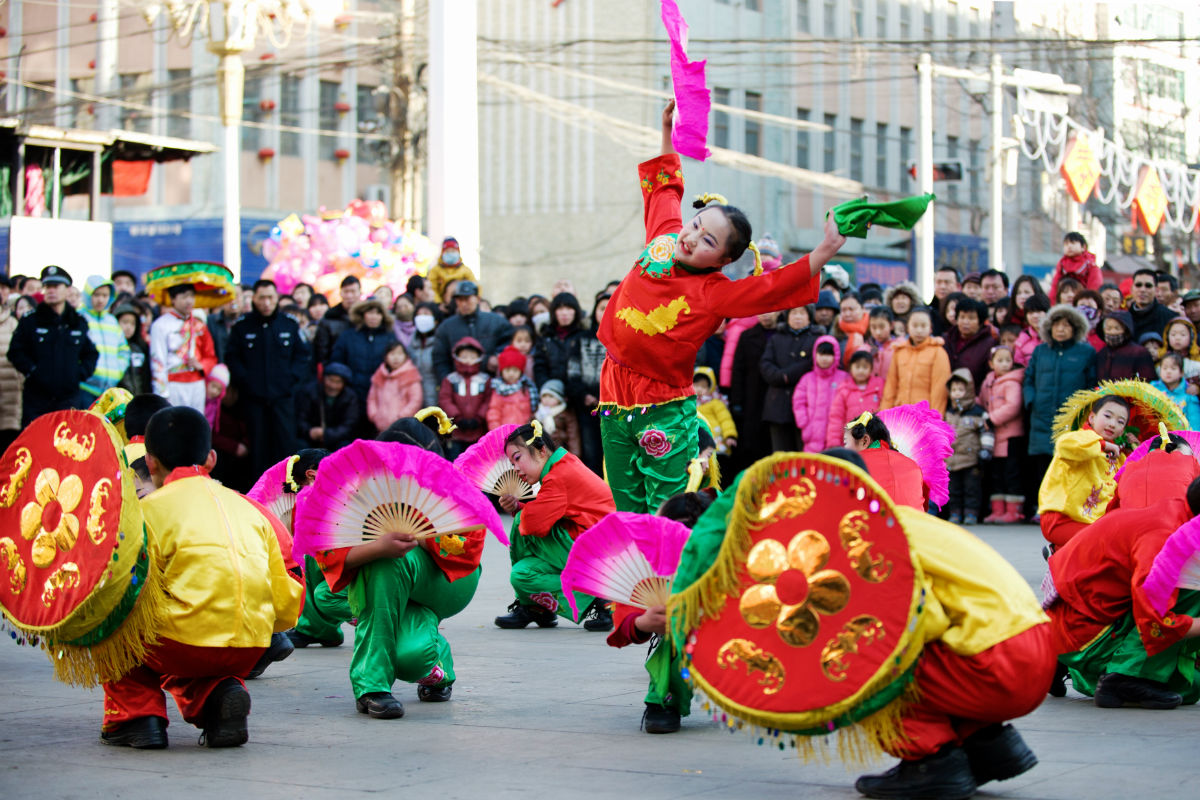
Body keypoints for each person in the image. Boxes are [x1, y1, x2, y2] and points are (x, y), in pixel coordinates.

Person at [596, 100, 845, 514]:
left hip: (662, 404)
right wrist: (666, 131)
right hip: (613, 388)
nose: (692, 238)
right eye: (696, 226)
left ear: (724, 261)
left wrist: (826, 248)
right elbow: (666, 187)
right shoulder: (664, 237)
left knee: (667, 503)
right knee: (624, 500)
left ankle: (677, 573)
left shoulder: (715, 292)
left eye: (708, 241)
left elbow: (772, 286)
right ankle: (639, 576)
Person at [100, 406, 303, 749]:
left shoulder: (145, 512)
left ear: (149, 462)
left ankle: (136, 717)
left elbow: (119, 590)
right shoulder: (250, 508)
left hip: (182, 643)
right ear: (210, 459)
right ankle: (216, 695)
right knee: (192, 635)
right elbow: (286, 605)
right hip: (250, 646)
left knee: (114, 615)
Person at [1045, 483, 1200, 708]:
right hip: (1084, 632)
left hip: (1070, 623)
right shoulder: (1165, 538)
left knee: (1192, 686)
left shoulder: (1177, 509)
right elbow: (1154, 619)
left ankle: (1067, 663)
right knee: (1193, 591)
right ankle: (1126, 676)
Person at [607, 490, 713, 734]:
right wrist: (642, 623)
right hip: (683, 638)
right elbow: (624, 621)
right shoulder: (647, 568)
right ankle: (662, 700)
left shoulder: (733, 558)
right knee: (673, 638)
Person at [494, 422, 616, 631]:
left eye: (517, 458)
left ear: (541, 450)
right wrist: (518, 506)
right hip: (594, 547)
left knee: (521, 523)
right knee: (522, 575)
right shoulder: (561, 466)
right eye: (512, 464)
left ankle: (605, 595)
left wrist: (519, 510)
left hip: (604, 554)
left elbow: (533, 524)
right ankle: (536, 607)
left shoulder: (559, 475)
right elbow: (542, 515)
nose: (515, 469)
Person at [224, 279, 309, 478]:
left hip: (283, 399)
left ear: (277, 298)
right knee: (257, 451)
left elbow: (302, 356)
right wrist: (246, 381)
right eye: (262, 298)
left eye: (271, 297)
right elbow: (232, 358)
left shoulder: (289, 324)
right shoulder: (242, 326)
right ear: (253, 298)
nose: (266, 302)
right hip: (253, 401)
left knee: (286, 447)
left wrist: (291, 380)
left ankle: (289, 491)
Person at [1023, 304, 1097, 516]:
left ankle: (1066, 507)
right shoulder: (1040, 351)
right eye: (1057, 325)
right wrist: (1032, 401)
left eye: (1066, 325)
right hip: (1041, 416)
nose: (1061, 329)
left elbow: (1092, 385)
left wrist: (1084, 410)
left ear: (1075, 328)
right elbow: (1028, 379)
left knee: (1068, 462)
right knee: (1042, 464)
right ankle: (1043, 506)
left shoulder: (1086, 352)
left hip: (1072, 418)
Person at [7, 265, 98, 425]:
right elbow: (15, 352)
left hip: (68, 399)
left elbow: (91, 353)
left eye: (56, 286)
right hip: (37, 400)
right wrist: (33, 371)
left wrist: (77, 374)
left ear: (67, 290)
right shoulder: (31, 321)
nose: (50, 290)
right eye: (48, 286)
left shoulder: (77, 322)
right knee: (36, 446)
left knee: (67, 445)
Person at [1038, 395, 1131, 549]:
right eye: (1107, 416)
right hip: (1062, 518)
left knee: (1117, 540)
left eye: (1120, 422)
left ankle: (1059, 553)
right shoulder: (1081, 437)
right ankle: (1058, 554)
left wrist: (1135, 448)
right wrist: (1103, 444)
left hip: (1090, 522)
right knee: (1103, 542)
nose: (1112, 424)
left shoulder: (1118, 456)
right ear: (1092, 417)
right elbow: (1064, 446)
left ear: (1123, 430)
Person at [149, 283, 217, 413]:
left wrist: (201, 365)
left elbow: (210, 355)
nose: (189, 301)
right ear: (173, 298)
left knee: (196, 426)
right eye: (184, 296)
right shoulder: (160, 325)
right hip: (173, 384)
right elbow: (157, 361)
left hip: (197, 385)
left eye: (192, 296)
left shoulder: (199, 325)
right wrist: (162, 393)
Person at [759, 305, 819, 452]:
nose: (797, 317)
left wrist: (788, 375)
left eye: (802, 313)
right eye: (794, 313)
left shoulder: (816, 339)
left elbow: (813, 364)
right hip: (777, 404)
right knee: (781, 455)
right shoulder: (776, 338)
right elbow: (765, 364)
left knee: (803, 454)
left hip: (807, 405)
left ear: (809, 317)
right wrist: (780, 377)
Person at [431, 281, 515, 382]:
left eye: (467, 299)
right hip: (459, 388)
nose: (463, 304)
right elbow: (440, 359)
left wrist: (497, 357)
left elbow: (510, 344)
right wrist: (448, 383)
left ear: (477, 299)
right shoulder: (446, 327)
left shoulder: (496, 322)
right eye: (459, 300)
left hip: (492, 385)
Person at [979, 345, 1026, 524]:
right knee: (997, 473)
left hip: (1011, 435)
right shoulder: (988, 382)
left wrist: (992, 419)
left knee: (1011, 473)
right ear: (991, 363)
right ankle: (998, 510)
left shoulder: (1012, 382)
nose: (1004, 364)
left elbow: (1013, 406)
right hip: (994, 437)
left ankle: (1014, 511)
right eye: (1000, 360)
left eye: (1008, 360)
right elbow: (982, 400)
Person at [844, 412, 928, 509]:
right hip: (912, 523)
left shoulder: (853, 466)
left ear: (865, 440)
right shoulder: (913, 465)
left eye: (846, 442)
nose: (844, 448)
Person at [729, 310, 778, 473]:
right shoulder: (747, 336)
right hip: (751, 397)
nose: (766, 315)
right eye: (762, 312)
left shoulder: (782, 335)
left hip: (775, 396)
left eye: (771, 311)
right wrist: (736, 401)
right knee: (750, 444)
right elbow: (738, 370)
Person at [329, 298, 397, 412]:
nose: (373, 317)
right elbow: (337, 362)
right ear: (363, 314)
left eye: (377, 313)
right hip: (352, 394)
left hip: (382, 394)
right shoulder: (348, 336)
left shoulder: (390, 337)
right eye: (370, 312)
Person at [883, 307, 951, 413]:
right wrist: (884, 416)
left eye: (923, 326)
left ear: (930, 328)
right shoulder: (899, 352)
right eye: (915, 325)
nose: (919, 330)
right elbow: (890, 387)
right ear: (908, 328)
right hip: (901, 414)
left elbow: (939, 392)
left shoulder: (938, 352)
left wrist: (935, 421)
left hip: (924, 415)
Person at [944, 369, 990, 525]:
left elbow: (987, 431)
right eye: (954, 390)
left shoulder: (977, 412)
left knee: (972, 488)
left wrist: (986, 449)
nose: (957, 393)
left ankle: (971, 513)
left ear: (969, 391)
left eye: (961, 390)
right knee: (954, 488)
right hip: (952, 459)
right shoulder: (948, 412)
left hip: (971, 459)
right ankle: (955, 513)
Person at [78, 275, 131, 406]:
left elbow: (123, 350)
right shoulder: (79, 318)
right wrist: (82, 372)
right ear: (88, 294)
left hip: (108, 392)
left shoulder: (112, 321)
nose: (100, 299)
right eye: (96, 295)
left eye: (105, 295)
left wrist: (117, 371)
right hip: (84, 389)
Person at [437, 337, 492, 457]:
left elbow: (488, 400)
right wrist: (457, 416)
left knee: (476, 462)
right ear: (457, 357)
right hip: (455, 431)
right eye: (464, 356)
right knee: (455, 461)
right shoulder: (450, 379)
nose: (468, 360)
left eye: (472, 357)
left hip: (478, 430)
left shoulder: (484, 379)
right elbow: (445, 399)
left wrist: (479, 417)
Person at [792, 336, 846, 453]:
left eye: (828, 354)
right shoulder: (807, 379)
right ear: (815, 355)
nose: (824, 358)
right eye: (821, 354)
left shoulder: (843, 378)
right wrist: (804, 424)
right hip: (812, 436)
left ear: (835, 355)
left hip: (836, 437)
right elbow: (798, 402)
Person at [825, 349, 883, 450]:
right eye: (857, 367)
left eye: (865, 367)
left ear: (871, 369)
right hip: (852, 440)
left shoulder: (879, 386)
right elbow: (836, 417)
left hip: (874, 439)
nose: (861, 370)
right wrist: (833, 442)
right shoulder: (844, 389)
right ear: (851, 368)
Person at [298, 362, 360, 451]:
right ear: (323, 379)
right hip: (311, 439)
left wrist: (326, 434)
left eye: (338, 382)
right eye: (330, 380)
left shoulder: (350, 397)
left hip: (337, 439)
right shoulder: (310, 392)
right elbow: (301, 418)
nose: (333, 386)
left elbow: (349, 425)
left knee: (345, 446)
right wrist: (309, 431)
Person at [367, 341, 424, 432]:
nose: (396, 358)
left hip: (403, 427)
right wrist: (374, 415)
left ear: (406, 356)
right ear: (386, 357)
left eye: (400, 354)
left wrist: (401, 417)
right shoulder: (379, 375)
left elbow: (415, 400)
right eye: (392, 354)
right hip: (381, 426)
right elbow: (372, 398)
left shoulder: (411, 375)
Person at [943, 297, 997, 388]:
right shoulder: (946, 339)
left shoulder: (989, 344)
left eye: (971, 318)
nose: (965, 322)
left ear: (980, 322)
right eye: (962, 317)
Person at [313, 276, 362, 365]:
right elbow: (322, 350)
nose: (349, 296)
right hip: (337, 369)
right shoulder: (329, 318)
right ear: (341, 293)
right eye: (346, 292)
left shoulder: (368, 317)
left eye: (353, 291)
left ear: (360, 293)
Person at [1096, 310, 1156, 382]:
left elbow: (1147, 381)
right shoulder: (1101, 354)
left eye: (1117, 328)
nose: (1112, 332)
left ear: (1126, 329)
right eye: (1108, 328)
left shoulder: (1139, 352)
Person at [485, 346, 537, 430]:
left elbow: (531, 413)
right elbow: (494, 413)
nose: (511, 374)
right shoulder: (499, 390)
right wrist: (496, 433)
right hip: (504, 434)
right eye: (508, 370)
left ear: (520, 372)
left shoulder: (526, 388)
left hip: (524, 433)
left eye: (515, 370)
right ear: (502, 372)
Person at [692, 366, 736, 456]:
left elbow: (725, 420)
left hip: (715, 439)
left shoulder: (716, 402)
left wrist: (729, 435)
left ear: (711, 387)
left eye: (703, 386)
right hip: (696, 441)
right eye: (696, 386)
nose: (699, 389)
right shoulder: (691, 404)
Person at [1049, 231, 1102, 302]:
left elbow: (1094, 286)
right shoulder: (1062, 265)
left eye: (1073, 243)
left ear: (1083, 247)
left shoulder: (1090, 265)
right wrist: (1052, 303)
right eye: (1066, 244)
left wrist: (1088, 302)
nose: (1069, 246)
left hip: (1083, 300)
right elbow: (1054, 287)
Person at [533, 379, 581, 457]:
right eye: (544, 396)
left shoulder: (566, 414)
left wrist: (574, 456)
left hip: (561, 451)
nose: (547, 399)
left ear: (559, 399)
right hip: (542, 451)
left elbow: (573, 436)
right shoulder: (538, 413)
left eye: (551, 396)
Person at [1151, 353, 1200, 429]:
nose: (1168, 372)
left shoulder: (1189, 393)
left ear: (1181, 373)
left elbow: (1195, 425)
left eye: (1173, 368)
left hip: (1181, 437)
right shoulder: (1152, 389)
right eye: (1164, 368)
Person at [1128, 268, 1176, 341]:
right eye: (1138, 285)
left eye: (1148, 286)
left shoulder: (1170, 318)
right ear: (1131, 289)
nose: (1142, 290)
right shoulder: (1125, 319)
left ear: (1156, 290)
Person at [114, 303, 151, 395]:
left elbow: (145, 378)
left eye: (133, 323)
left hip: (139, 399)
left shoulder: (140, 349)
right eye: (125, 322)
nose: (129, 327)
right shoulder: (111, 348)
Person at [426, 237, 477, 303]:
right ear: (442, 253)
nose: (450, 254)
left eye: (453, 251)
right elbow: (432, 289)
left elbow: (475, 288)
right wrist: (439, 304)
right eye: (447, 251)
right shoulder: (435, 271)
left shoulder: (466, 270)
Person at [409, 302, 441, 406]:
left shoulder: (441, 341)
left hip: (436, 398)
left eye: (426, 314)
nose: (422, 317)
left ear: (435, 319)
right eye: (419, 314)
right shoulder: (411, 343)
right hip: (414, 400)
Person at [834, 291, 867, 364]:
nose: (847, 314)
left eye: (851, 309)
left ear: (863, 309)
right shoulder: (834, 334)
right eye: (843, 310)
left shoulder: (873, 330)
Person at [866, 306, 897, 380]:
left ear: (892, 325)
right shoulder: (864, 349)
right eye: (873, 327)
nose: (878, 332)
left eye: (882, 327)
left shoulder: (899, 347)